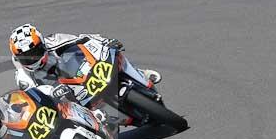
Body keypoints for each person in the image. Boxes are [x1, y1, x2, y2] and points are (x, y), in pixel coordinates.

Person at [8, 23, 161, 91]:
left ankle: (140, 73)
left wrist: (106, 42)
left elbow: (83, 38)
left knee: (112, 53)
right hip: (63, 94)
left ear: (42, 44)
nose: (32, 59)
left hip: (78, 72)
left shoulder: (53, 41)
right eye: (26, 58)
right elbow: (37, 98)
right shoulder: (22, 76)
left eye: (35, 52)